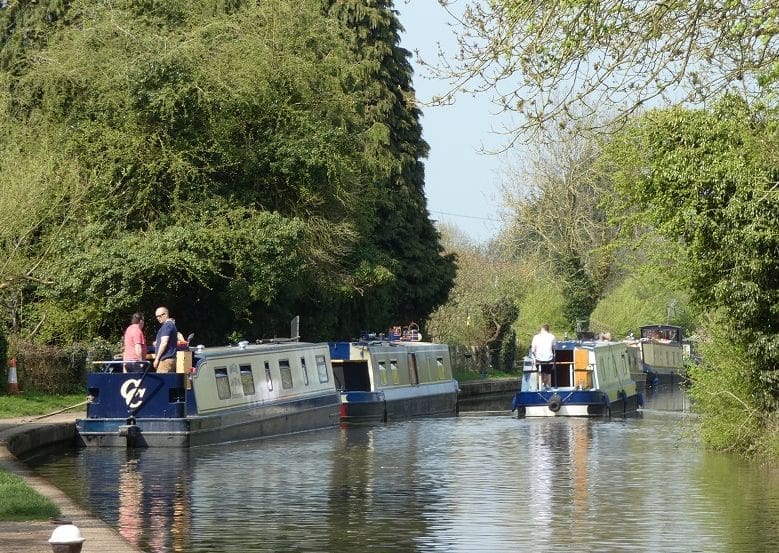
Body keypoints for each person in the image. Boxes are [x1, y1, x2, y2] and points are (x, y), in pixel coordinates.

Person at [153, 307, 178, 373]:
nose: (158, 318)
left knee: (160, 382)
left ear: (166, 314)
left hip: (165, 360)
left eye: (159, 316)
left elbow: (164, 343)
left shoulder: (167, 325)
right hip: (169, 360)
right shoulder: (171, 325)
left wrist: (157, 359)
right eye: (157, 317)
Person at [531, 323, 557, 388]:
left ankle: (541, 384)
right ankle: (546, 384)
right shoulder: (552, 336)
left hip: (539, 359)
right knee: (548, 372)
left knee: (540, 371)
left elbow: (533, 350)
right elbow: (555, 348)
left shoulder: (536, 337)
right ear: (548, 330)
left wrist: (535, 355)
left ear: (542, 329)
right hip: (549, 359)